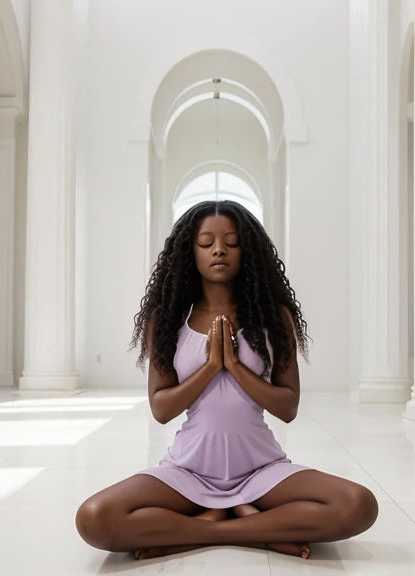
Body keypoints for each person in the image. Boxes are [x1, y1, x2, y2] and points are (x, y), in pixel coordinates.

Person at [75, 200, 379, 560]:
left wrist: (234, 366)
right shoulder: (168, 319)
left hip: (262, 470)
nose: (219, 249)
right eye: (206, 242)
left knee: (358, 505)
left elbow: (288, 407)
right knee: (94, 518)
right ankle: (255, 530)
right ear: (190, 252)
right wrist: (210, 367)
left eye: (231, 241)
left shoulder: (274, 317)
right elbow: (160, 408)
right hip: (188, 470)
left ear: (246, 250)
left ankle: (203, 529)